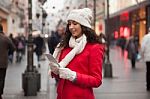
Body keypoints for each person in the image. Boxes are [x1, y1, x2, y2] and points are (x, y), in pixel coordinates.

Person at [49, 8, 104, 99]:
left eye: (75, 23)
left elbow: (97, 80)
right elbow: (61, 74)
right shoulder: (65, 45)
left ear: (83, 25)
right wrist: (55, 71)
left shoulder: (94, 48)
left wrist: (74, 76)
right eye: (69, 24)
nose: (71, 27)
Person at [0, 24, 16, 99]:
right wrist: (7, 53)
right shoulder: (6, 38)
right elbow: (13, 48)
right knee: (1, 79)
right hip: (3, 63)